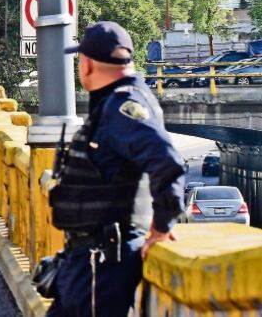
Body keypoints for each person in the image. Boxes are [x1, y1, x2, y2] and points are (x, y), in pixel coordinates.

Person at [46, 21, 185, 317]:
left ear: (86, 65)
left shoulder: (123, 106)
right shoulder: (117, 102)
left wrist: (161, 227)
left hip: (102, 260)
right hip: (89, 258)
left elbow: (167, 161)